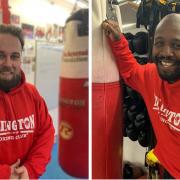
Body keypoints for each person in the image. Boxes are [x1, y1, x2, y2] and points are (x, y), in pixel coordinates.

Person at [102, 13, 180, 179]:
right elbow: (131, 71)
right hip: (168, 171)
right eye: (159, 43)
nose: (166, 52)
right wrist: (118, 40)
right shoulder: (153, 76)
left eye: (177, 45)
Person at [0, 24, 55, 179]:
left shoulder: (32, 94)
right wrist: (4, 174)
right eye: (1, 55)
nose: (8, 63)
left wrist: (30, 169)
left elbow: (46, 132)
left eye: (14, 56)